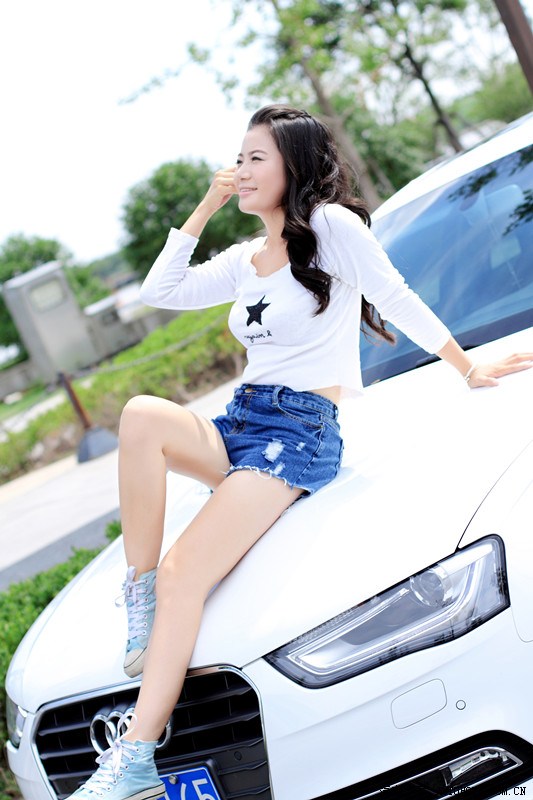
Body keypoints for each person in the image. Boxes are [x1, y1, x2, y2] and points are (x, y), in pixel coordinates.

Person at [70, 105, 532, 800]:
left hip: (299, 431)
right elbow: (158, 290)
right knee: (140, 417)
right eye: (238, 158)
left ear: (294, 164)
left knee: (184, 571)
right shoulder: (244, 260)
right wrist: (205, 206)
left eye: (256, 157)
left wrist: (465, 366)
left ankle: (136, 754)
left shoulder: (331, 229)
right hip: (244, 420)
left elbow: (394, 293)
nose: (241, 169)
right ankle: (139, 597)